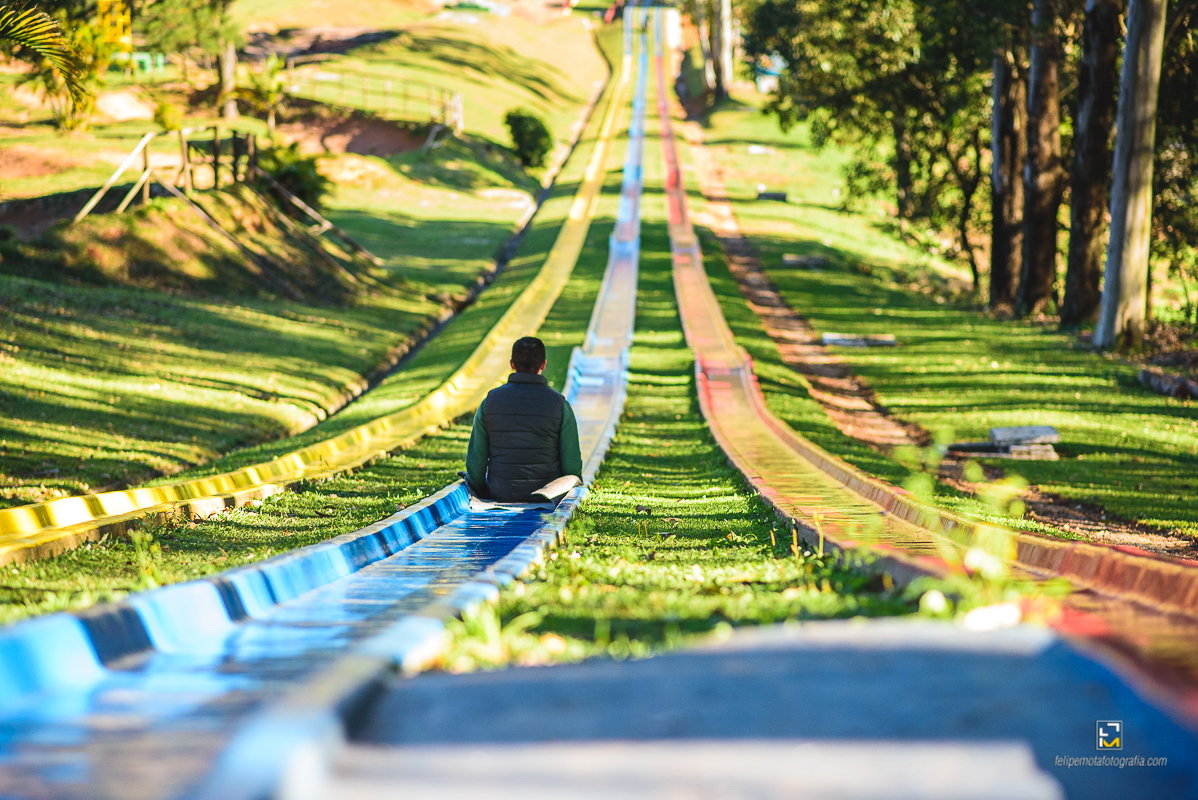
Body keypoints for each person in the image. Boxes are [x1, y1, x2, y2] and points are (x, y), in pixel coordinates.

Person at [465, 336, 583, 503]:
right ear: (543, 365)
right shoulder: (560, 405)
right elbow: (572, 467)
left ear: (512, 364)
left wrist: (483, 492)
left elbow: (475, 466)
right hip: (547, 498)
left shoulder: (489, 402)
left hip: (500, 495)